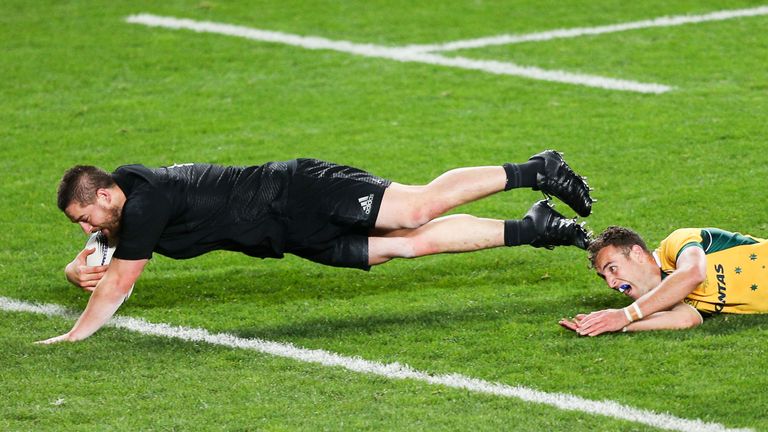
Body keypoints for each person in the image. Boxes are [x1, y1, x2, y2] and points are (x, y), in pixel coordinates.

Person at [37, 150, 593, 344]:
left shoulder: (147, 202)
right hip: (291, 235)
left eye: (87, 215)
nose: (88, 226)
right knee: (406, 247)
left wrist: (74, 332)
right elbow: (102, 249)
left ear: (109, 193)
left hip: (300, 192)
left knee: (416, 210)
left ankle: (535, 171)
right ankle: (535, 227)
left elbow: (120, 281)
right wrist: (73, 268)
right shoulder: (126, 208)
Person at [560, 226, 768, 336]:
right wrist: (614, 325)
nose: (611, 283)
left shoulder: (676, 244)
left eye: (612, 269)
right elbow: (686, 320)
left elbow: (693, 273)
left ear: (637, 253)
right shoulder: (664, 296)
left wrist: (625, 315)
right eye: (605, 277)